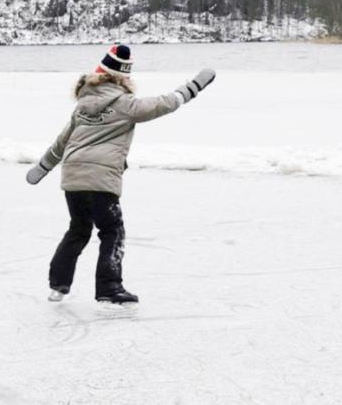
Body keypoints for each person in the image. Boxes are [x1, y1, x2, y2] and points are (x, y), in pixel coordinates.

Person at [26, 44, 215, 305]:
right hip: (101, 178)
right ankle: (109, 288)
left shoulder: (82, 105)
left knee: (78, 229)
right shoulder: (125, 104)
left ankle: (58, 285)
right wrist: (193, 88)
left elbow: (61, 142)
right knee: (112, 230)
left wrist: (43, 167)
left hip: (73, 176)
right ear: (122, 78)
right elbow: (163, 104)